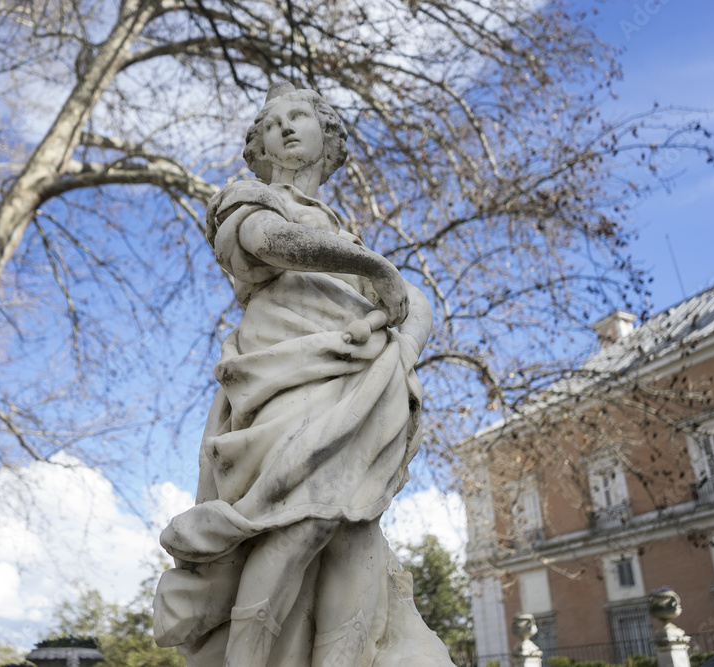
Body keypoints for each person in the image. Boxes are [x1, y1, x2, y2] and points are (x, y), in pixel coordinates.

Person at [154, 83, 450, 667]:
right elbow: (273, 243)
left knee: (355, 533)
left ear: (328, 138)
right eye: (272, 123)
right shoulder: (246, 198)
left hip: (358, 381)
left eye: (300, 118)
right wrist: (373, 270)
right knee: (301, 519)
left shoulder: (343, 229)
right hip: (285, 378)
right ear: (258, 146)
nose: (286, 129)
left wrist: (402, 345)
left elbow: (412, 303)